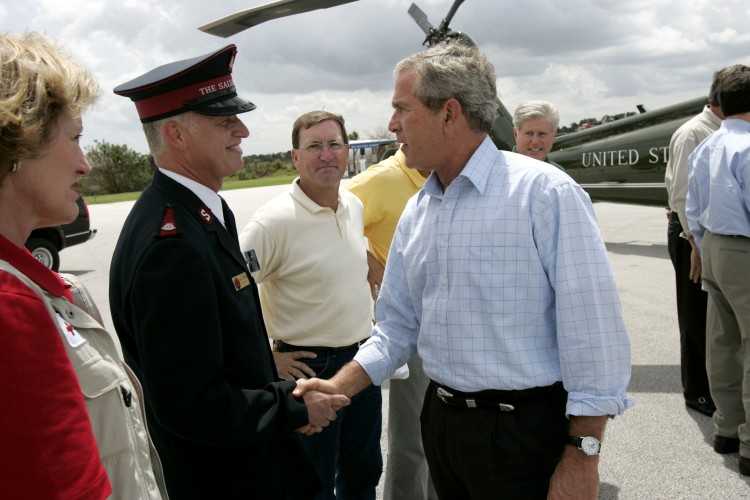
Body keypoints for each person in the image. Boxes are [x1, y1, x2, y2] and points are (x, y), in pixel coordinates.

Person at [295, 41, 634, 499]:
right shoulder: (420, 208)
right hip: (442, 424)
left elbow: (594, 337)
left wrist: (582, 455)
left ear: (449, 113)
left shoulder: (544, 194)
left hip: (522, 437)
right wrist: (337, 386)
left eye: (402, 109)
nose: (392, 124)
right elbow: (396, 327)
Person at [110, 47, 348, 499]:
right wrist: (293, 409)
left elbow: (226, 358)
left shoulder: (198, 212)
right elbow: (190, 404)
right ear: (176, 134)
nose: (243, 130)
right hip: (224, 477)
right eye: (224, 122)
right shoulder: (173, 244)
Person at [0, 31, 166, 499]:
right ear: (19, 142)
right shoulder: (10, 307)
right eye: (75, 138)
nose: (85, 164)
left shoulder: (43, 289)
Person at [238, 110, 382, 500]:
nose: (326, 155)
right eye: (314, 146)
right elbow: (231, 295)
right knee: (313, 482)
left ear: (347, 151)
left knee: (364, 471)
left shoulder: (352, 205)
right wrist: (269, 357)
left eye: (334, 145)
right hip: (309, 368)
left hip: (361, 362)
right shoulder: (272, 223)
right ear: (295, 157)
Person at [346, 148, 436, 500]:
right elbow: (325, 212)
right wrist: (367, 259)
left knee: (447, 436)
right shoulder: (383, 178)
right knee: (413, 440)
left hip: (457, 325)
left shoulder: (453, 169)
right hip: (410, 328)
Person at [685, 64, 750, 476]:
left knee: (723, 340)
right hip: (745, 247)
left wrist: (702, 246)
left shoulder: (707, 146)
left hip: (714, 245)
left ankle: (726, 427)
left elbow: (693, 205)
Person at [664, 67, 738, 417]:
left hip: (706, 234)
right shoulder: (693, 133)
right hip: (689, 233)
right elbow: (681, 196)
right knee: (695, 314)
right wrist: (696, 245)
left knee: (716, 318)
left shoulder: (722, 130)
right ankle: (697, 391)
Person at [512, 100, 565, 170]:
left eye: (542, 134)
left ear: (553, 136)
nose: (535, 141)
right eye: (529, 133)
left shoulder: (559, 173)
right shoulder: (499, 171)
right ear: (516, 134)